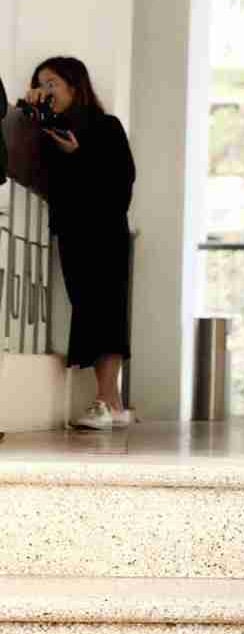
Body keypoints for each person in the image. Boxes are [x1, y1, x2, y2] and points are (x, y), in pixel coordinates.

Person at [24, 57, 136, 430]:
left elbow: (121, 182)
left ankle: (104, 401)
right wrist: (34, 118)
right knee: (89, 310)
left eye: (52, 83)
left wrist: (79, 155)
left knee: (106, 311)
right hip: (73, 233)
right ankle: (114, 404)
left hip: (105, 232)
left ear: (75, 86)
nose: (46, 91)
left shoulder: (106, 126)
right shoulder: (48, 131)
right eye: (41, 84)